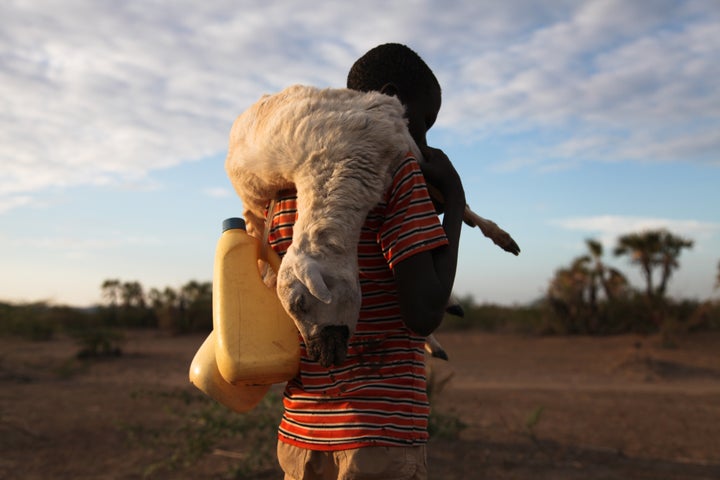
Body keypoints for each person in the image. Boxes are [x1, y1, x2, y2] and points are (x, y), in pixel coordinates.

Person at [269, 43, 465, 480]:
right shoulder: (394, 170)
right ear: (392, 99)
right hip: (380, 442)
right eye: (424, 122)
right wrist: (454, 199)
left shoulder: (284, 189)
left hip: (301, 437)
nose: (424, 142)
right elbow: (423, 314)